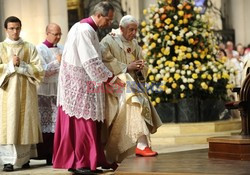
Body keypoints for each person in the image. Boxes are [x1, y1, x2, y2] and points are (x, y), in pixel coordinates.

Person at [52, 1, 125, 174]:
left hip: (83, 83)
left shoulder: (86, 28)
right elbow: (90, 61)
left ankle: (89, 161)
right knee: (83, 124)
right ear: (98, 15)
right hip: (79, 86)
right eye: (108, 19)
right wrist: (112, 80)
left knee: (89, 124)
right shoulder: (85, 30)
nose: (109, 23)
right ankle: (81, 163)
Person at [100, 15, 162, 163]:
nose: (134, 33)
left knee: (136, 105)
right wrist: (127, 67)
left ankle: (141, 145)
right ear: (121, 28)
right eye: (131, 30)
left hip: (132, 83)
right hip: (113, 83)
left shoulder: (134, 43)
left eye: (135, 30)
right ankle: (140, 145)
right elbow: (105, 62)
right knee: (133, 103)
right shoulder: (108, 41)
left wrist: (141, 66)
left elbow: (142, 61)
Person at [0, 16, 44, 171]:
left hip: (26, 92)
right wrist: (10, 65)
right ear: (6, 29)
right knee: (9, 124)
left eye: (17, 28)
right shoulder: (1, 47)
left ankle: (25, 158)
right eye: (11, 28)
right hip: (7, 94)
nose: (15, 31)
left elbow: (39, 70)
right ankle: (7, 161)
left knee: (24, 123)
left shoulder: (29, 47)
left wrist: (22, 65)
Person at [36, 23, 63, 165]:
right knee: (45, 123)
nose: (58, 37)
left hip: (59, 89)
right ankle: (45, 154)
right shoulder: (39, 49)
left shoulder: (63, 48)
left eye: (60, 34)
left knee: (58, 123)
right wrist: (57, 63)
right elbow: (42, 71)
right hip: (45, 91)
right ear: (47, 33)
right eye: (55, 34)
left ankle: (56, 154)